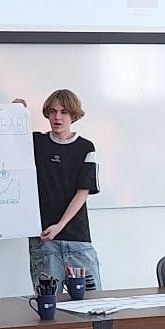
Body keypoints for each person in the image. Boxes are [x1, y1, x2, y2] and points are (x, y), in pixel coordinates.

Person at [16, 90, 101, 292]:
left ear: (73, 115)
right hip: (43, 240)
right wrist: (15, 113)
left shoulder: (85, 147)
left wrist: (60, 225)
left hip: (77, 239)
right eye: (53, 111)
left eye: (64, 112)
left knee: (92, 302)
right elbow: (4, 143)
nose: (57, 117)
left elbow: (83, 191)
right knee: (48, 302)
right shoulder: (36, 143)